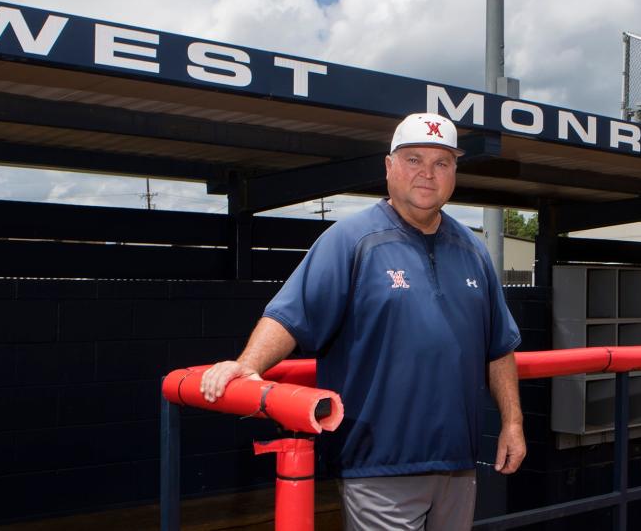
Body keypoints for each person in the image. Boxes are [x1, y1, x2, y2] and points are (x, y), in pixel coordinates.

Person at [200, 112, 525, 530]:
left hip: (457, 464)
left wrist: (513, 423)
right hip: (377, 464)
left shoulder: (473, 250)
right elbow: (289, 316)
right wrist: (247, 366)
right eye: (413, 160)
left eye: (441, 162)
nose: (427, 173)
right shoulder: (352, 239)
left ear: (454, 173)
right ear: (389, 167)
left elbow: (500, 347)